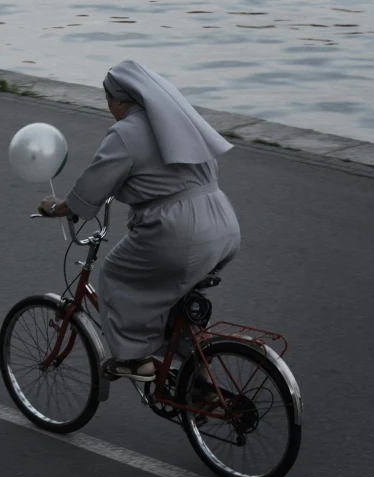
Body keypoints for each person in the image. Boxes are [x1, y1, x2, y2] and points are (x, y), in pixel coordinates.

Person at [38, 59, 241, 382]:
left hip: (180, 231)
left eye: (108, 101)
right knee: (176, 299)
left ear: (119, 99)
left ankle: (135, 360)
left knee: (116, 276)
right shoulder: (179, 122)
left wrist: (60, 206)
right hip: (222, 224)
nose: (109, 109)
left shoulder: (127, 132)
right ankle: (200, 376)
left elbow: (94, 184)